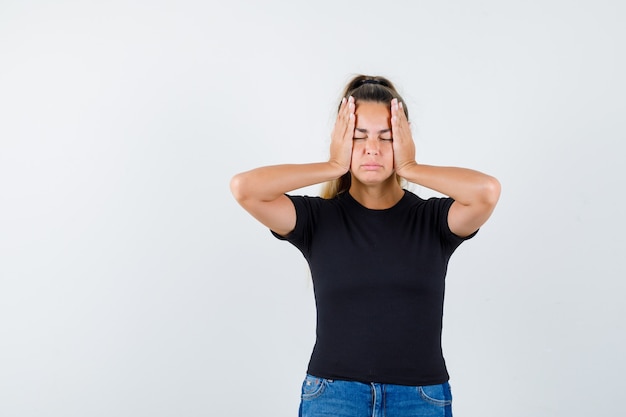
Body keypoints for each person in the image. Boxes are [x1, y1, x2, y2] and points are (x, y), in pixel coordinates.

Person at [230, 75, 501, 417]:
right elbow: (245, 188)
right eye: (358, 137)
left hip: (419, 398)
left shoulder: (433, 221)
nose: (372, 148)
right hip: (333, 396)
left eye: (386, 137)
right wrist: (331, 166)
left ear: (403, 140)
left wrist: (410, 167)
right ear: (341, 140)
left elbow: (486, 192)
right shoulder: (317, 219)